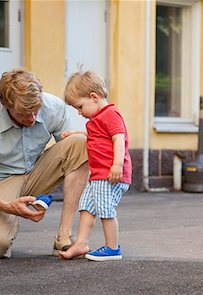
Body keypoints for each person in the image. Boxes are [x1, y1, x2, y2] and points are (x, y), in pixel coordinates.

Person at [0, 68, 89, 258]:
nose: (32, 119)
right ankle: (5, 221)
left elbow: (72, 158)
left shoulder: (53, 107)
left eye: (36, 111)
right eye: (24, 113)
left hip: (36, 172)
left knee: (81, 143)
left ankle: (63, 237)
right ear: (5, 104)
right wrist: (9, 207)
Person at [58, 70, 132, 261]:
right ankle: (81, 243)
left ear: (94, 97)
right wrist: (76, 132)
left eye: (80, 107)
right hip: (98, 175)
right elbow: (97, 137)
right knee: (87, 207)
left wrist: (116, 165)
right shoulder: (96, 120)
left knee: (105, 209)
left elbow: (119, 139)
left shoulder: (111, 114)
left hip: (109, 174)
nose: (79, 112)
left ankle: (112, 247)